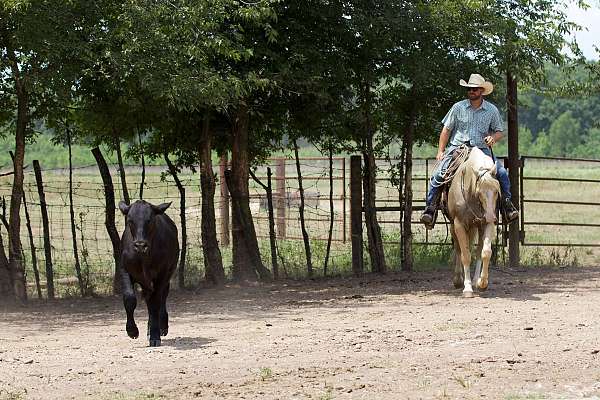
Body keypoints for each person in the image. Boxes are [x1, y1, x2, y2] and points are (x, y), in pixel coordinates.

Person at [420, 73, 519, 229]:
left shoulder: (491, 110)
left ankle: (507, 206)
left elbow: (500, 131)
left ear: (481, 91)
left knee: (502, 173)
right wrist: (440, 151)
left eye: (474, 89)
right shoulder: (458, 107)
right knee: (438, 174)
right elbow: (446, 130)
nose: (471, 91)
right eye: (469, 89)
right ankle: (430, 209)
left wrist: (493, 138)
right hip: (458, 149)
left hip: (482, 150)